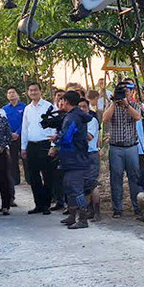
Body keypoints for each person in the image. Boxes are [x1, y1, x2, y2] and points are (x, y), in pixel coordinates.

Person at [102, 81, 143, 218]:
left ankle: (137, 206)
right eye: (122, 91)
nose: (124, 94)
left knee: (134, 178)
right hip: (116, 148)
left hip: (131, 147)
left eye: (127, 91)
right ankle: (117, 208)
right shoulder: (111, 106)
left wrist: (126, 105)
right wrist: (114, 102)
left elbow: (137, 117)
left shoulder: (135, 105)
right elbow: (105, 119)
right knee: (116, 178)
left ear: (131, 92)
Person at [54, 91, 93, 229]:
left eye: (62, 100)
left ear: (66, 101)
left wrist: (56, 140)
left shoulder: (72, 118)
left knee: (76, 189)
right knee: (69, 187)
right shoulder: (76, 116)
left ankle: (82, 219)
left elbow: (66, 137)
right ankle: (72, 215)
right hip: (74, 158)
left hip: (74, 159)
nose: (60, 103)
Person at [21, 82, 56, 215]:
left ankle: (46, 204)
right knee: (33, 176)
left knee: (47, 176)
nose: (33, 93)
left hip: (45, 144)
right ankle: (38, 204)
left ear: (41, 91)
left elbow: (54, 126)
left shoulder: (49, 107)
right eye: (31, 90)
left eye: (35, 90)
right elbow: (25, 128)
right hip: (32, 145)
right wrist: (23, 147)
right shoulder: (27, 109)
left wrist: (53, 146)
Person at [78, 98, 101, 222]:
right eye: (79, 107)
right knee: (83, 184)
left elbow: (89, 137)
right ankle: (89, 210)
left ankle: (97, 212)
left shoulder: (92, 120)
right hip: (80, 154)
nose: (82, 109)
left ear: (88, 108)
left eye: (84, 107)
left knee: (92, 184)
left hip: (91, 154)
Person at [2, 87, 27, 195]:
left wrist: (18, 132)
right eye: (9, 93)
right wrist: (10, 134)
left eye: (13, 92)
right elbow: (4, 122)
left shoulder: (24, 107)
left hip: (22, 135)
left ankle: (28, 178)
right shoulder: (4, 109)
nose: (11, 94)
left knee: (25, 157)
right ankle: (15, 179)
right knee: (12, 158)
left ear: (18, 94)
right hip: (10, 136)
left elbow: (25, 122)